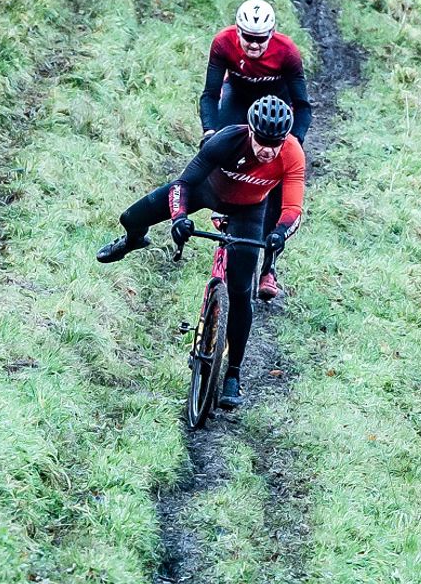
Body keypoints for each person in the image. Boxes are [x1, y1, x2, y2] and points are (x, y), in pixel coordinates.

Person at [97, 95, 304, 409]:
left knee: (240, 290)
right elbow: (183, 183)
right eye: (261, 140)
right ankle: (133, 241)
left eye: (274, 143)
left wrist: (278, 233)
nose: (267, 149)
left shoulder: (291, 154)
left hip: (249, 212)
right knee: (131, 218)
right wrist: (179, 218)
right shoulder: (228, 140)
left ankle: (233, 374)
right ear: (250, 130)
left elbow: (293, 209)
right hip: (205, 191)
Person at [199, 0, 313, 299]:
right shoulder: (223, 43)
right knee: (221, 148)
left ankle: (268, 268)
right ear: (237, 32)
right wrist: (209, 131)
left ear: (272, 34)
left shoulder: (286, 52)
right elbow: (210, 95)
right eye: (247, 38)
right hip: (238, 102)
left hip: (277, 108)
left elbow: (303, 107)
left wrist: (293, 145)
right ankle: (222, 209)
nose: (253, 45)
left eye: (260, 39)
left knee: (276, 188)